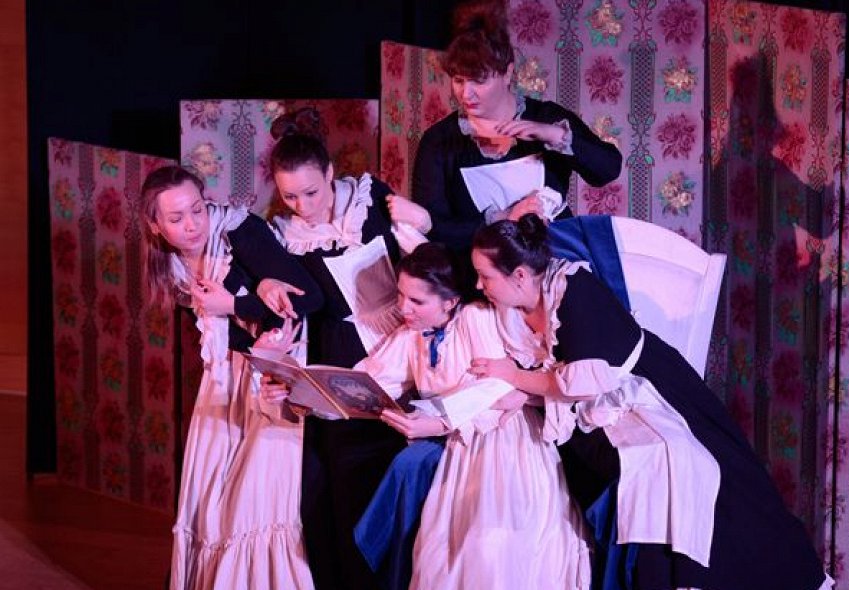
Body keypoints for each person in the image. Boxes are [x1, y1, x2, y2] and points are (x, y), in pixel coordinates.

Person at [469, 215, 833, 590]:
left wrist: (514, 377)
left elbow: (583, 380)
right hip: (596, 411)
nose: (479, 285)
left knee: (692, 465)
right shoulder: (510, 310)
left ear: (520, 276)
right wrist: (522, 391)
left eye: (485, 276)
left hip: (649, 387)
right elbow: (556, 378)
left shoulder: (573, 289)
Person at [343, 243, 591, 589]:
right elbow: (368, 380)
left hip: (505, 439)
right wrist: (306, 394)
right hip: (461, 448)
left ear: (450, 302)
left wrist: (439, 422)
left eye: (416, 301)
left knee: (489, 544)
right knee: (438, 556)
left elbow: (497, 390)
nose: (403, 308)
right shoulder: (411, 335)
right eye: (400, 295)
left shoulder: (475, 318)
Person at [142, 165, 323, 590]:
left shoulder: (239, 233)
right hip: (225, 378)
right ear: (155, 226)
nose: (192, 225)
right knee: (210, 502)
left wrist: (234, 305)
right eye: (176, 218)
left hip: (270, 378)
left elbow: (308, 298)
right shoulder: (173, 264)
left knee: (254, 503)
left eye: (197, 209)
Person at [265, 108, 408, 590]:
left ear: (330, 173)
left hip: (400, 339)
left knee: (397, 472)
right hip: (339, 354)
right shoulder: (285, 236)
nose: (302, 206)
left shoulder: (370, 198)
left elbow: (418, 255)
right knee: (346, 480)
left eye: (311, 192)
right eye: (290, 196)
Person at [398, 0, 622, 258]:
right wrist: (502, 218)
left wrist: (554, 135)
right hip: (482, 271)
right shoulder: (439, 141)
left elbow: (607, 169)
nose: (466, 94)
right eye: (458, 81)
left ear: (507, 73)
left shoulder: (547, 118)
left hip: (556, 263)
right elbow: (434, 228)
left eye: (478, 81)